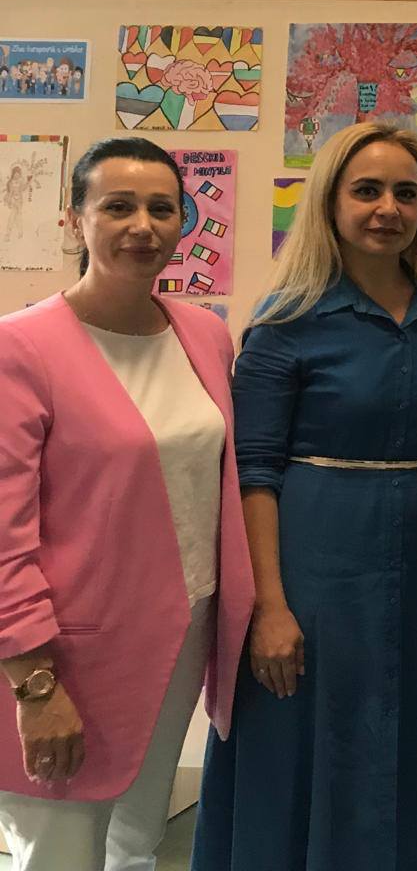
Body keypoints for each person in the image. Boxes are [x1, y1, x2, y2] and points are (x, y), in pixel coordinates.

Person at [190, 122, 417, 871]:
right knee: (304, 734)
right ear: (329, 201)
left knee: (406, 729)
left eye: (406, 194)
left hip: (416, 561)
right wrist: (269, 607)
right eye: (367, 190)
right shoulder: (286, 321)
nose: (389, 208)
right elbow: (253, 471)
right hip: (313, 563)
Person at [0, 137, 253, 870]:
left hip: (182, 633)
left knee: (136, 845)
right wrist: (35, 687)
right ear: (74, 220)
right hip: (67, 654)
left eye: (161, 209)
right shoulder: (20, 349)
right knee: (59, 853)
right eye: (117, 207)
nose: (142, 226)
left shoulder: (203, 335)